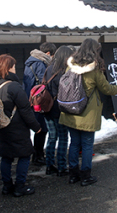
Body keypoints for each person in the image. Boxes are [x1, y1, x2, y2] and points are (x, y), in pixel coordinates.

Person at [59, 38, 117, 186]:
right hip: (87, 114)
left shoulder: (70, 66)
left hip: (70, 111)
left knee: (74, 143)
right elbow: (107, 89)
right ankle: (85, 176)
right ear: (95, 51)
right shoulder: (94, 70)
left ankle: (73, 175)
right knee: (87, 144)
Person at [0, 54, 41, 197]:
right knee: (24, 155)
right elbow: (25, 110)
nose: (15, 69)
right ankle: (20, 186)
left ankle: (7, 186)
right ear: (8, 68)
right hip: (17, 128)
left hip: (0, 126)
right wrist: (36, 127)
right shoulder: (14, 86)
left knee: (6, 157)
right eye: (14, 66)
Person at [42, 46, 75, 176]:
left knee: (51, 136)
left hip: (47, 108)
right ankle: (61, 167)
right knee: (63, 138)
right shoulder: (63, 71)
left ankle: (49, 165)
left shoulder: (49, 68)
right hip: (59, 109)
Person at [23, 42, 56, 165]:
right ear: (48, 54)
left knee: (38, 127)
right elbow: (45, 83)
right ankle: (38, 155)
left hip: (30, 98)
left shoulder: (30, 62)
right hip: (39, 101)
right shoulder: (40, 64)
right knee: (41, 128)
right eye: (52, 55)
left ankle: (36, 154)